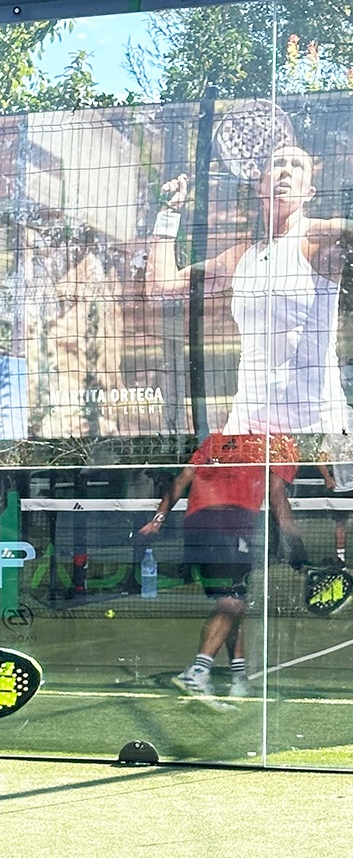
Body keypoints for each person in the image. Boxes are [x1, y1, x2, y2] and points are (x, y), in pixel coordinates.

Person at [146, 144, 352, 436]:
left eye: (297, 166)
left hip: (316, 429)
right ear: (259, 187)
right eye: (278, 163)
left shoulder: (323, 238)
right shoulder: (241, 257)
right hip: (248, 428)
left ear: (309, 192)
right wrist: (169, 212)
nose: (285, 171)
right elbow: (161, 286)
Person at [138, 431, 306, 700]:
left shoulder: (217, 439)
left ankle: (238, 676)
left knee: (233, 601)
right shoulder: (282, 444)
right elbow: (277, 497)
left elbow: (182, 479)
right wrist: (296, 545)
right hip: (231, 525)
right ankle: (197, 671)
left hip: (197, 526)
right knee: (232, 602)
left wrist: (158, 519)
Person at [316, 432, 353, 563]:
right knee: (340, 524)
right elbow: (320, 460)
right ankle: (340, 560)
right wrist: (328, 478)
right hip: (340, 489)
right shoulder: (331, 436)